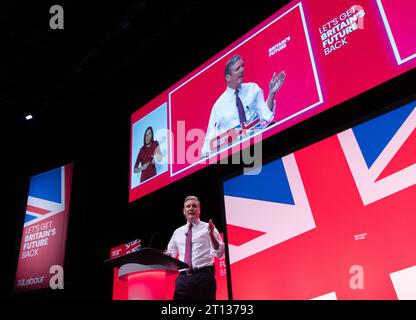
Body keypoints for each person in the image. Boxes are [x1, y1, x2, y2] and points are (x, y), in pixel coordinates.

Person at [202, 54, 286, 156]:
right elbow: (209, 142)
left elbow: (266, 117)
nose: (242, 70)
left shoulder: (253, 89)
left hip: (260, 146)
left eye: (242, 66)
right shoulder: (219, 106)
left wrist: (271, 93)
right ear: (228, 77)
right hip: (235, 156)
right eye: (237, 68)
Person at [165, 195, 225, 300]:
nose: (191, 208)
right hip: (183, 278)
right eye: (188, 206)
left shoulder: (208, 227)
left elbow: (219, 253)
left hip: (204, 277)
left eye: (194, 206)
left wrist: (211, 235)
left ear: (199, 210)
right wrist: (164, 255)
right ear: (184, 211)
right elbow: (170, 254)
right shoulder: (177, 232)